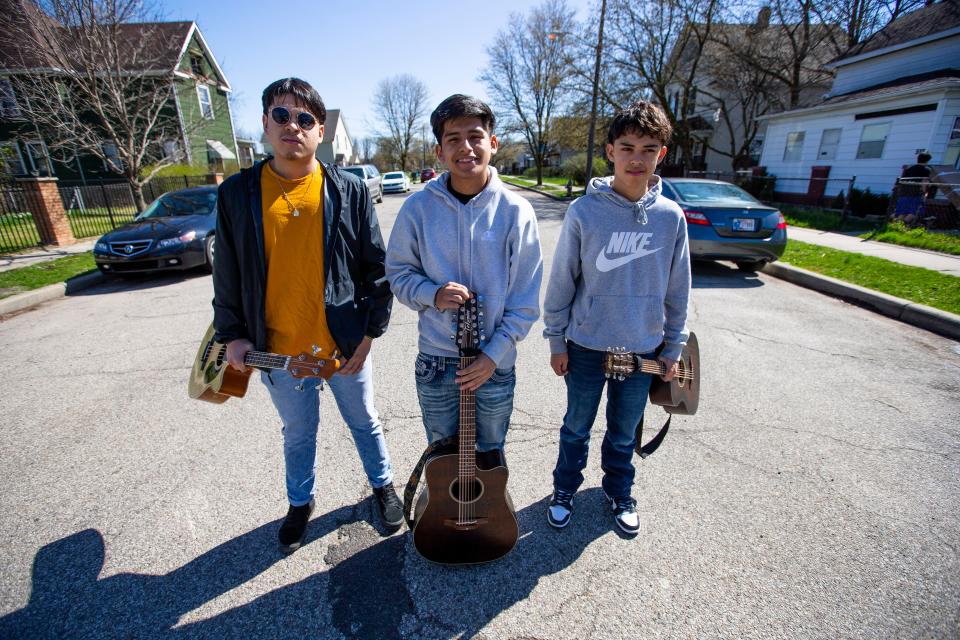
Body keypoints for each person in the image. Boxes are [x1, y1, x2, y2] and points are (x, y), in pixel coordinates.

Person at [212, 77, 402, 552]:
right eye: (281, 114)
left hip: (343, 344)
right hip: (278, 349)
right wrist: (233, 335)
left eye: (305, 119)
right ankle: (300, 504)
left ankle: (383, 486)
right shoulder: (237, 193)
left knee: (365, 421)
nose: (291, 126)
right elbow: (228, 273)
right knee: (298, 433)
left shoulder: (349, 190)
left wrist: (369, 334)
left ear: (321, 132)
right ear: (264, 123)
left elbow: (376, 268)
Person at [542, 100, 691, 536]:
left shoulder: (670, 218)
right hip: (586, 346)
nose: (637, 158)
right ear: (610, 151)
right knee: (576, 428)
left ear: (661, 154)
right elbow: (562, 283)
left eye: (648, 148)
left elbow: (678, 289)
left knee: (624, 433)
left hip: (642, 348)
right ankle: (565, 488)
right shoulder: (584, 212)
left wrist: (674, 346)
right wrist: (555, 341)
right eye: (627, 147)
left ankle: (619, 490)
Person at [386, 94, 542, 456]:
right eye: (453, 139)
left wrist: (493, 356)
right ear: (439, 151)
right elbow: (398, 273)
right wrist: (431, 293)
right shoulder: (417, 209)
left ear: (493, 143)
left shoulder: (516, 212)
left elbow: (525, 300)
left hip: (494, 362)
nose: (466, 148)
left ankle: (486, 514)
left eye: (475, 136)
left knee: (489, 455)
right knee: (443, 458)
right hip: (437, 361)